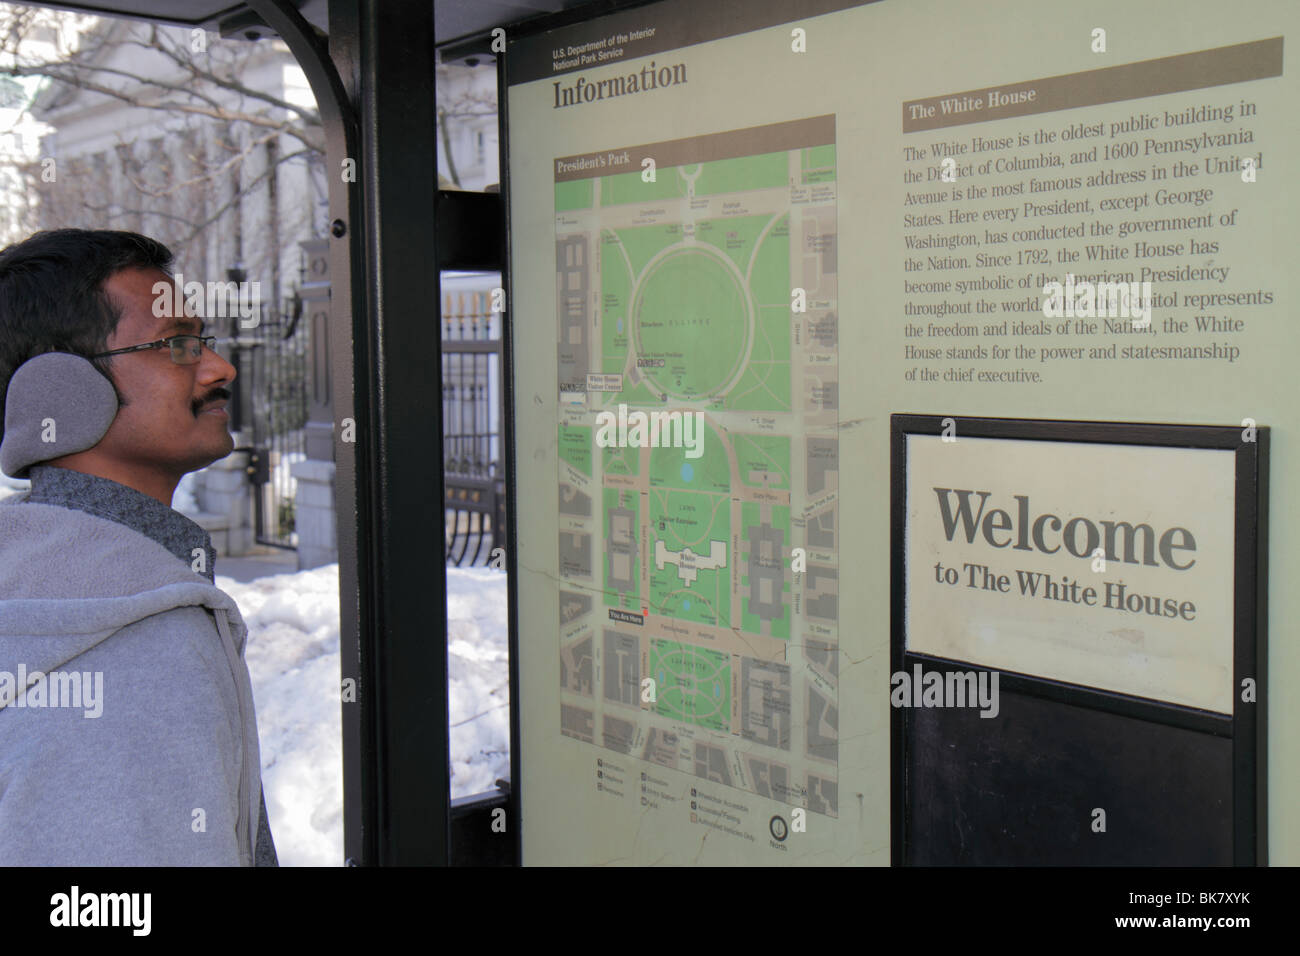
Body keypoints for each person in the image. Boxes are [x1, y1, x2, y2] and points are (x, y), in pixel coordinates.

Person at [0, 229, 276, 865]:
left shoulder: (38, 583)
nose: (218, 366)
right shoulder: (140, 642)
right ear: (60, 392)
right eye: (177, 344)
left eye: (202, 340)